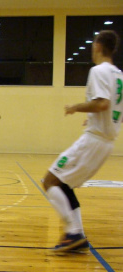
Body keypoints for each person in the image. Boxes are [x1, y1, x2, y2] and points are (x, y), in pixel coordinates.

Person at [42, 30, 123, 253]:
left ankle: (72, 232)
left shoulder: (98, 71)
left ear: (97, 45)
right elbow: (113, 109)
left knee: (49, 181)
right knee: (64, 184)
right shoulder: (119, 75)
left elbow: (102, 104)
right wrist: (95, 119)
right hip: (106, 142)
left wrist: (76, 108)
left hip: (93, 141)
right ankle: (77, 234)